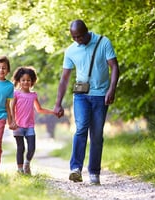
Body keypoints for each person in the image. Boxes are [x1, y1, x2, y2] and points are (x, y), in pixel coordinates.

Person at [54, 19, 119, 185]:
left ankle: (94, 173)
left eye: (80, 36)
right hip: (81, 96)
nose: (77, 40)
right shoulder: (70, 50)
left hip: (100, 95)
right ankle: (75, 169)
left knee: (96, 134)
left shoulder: (103, 42)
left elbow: (114, 67)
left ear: (86, 31)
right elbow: (65, 78)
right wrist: (58, 102)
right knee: (81, 128)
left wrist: (112, 89)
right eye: (74, 37)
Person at [11, 66, 56, 175]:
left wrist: (53, 112)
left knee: (32, 148)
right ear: (19, 81)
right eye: (23, 80)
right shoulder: (16, 94)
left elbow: (39, 109)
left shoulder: (33, 95)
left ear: (32, 81)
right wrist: (12, 121)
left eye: (28, 80)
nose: (26, 82)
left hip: (30, 126)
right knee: (20, 148)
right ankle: (20, 170)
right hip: (18, 126)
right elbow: (11, 107)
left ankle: (27, 164)